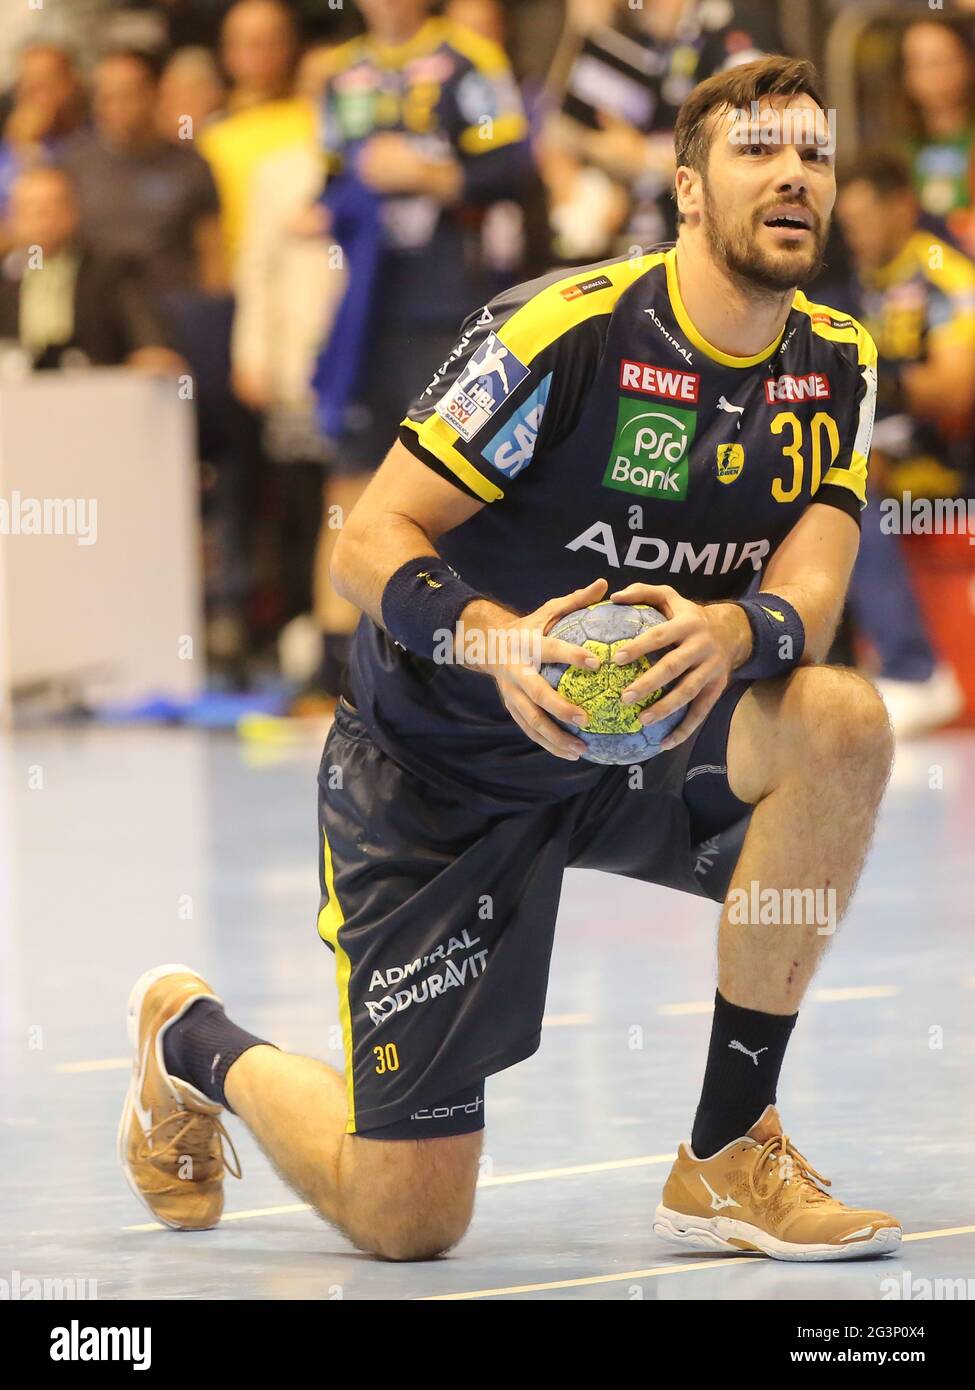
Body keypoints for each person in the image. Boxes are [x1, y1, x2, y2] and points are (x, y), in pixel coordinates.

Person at [119, 57, 904, 1263]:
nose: (795, 173)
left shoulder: (836, 357)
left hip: (636, 736)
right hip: (443, 767)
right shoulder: (563, 330)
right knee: (410, 1222)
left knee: (841, 720)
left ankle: (730, 1149)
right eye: (759, 150)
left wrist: (738, 631)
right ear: (687, 189)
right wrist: (504, 643)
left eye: (813, 151)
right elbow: (368, 540)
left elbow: (816, 573)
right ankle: (190, 1041)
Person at [303, 0, 533, 700]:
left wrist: (430, 177)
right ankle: (331, 661)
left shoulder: (468, 62)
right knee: (347, 474)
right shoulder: (342, 75)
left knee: (449, 479)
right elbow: (330, 184)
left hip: (448, 304)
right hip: (366, 308)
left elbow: (513, 168)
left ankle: (453, 654)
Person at [835, 150, 972, 737]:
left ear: (902, 206)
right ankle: (831, 670)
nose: (855, 233)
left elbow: (957, 389)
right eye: (848, 221)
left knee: (851, 486)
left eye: (866, 218)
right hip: (895, 468)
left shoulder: (942, 271)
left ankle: (915, 670)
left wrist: (881, 379)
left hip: (952, 477)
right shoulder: (858, 286)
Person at [57, 49, 225, 297]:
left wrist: (214, 313)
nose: (117, 107)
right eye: (106, 98)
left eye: (128, 95)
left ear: (154, 94)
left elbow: (213, 253)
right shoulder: (72, 164)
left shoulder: (191, 166)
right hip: (97, 311)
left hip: (172, 307)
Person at [0, 166, 183, 372]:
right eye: (31, 209)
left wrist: (152, 348)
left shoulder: (111, 269)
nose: (43, 219)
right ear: (10, 218)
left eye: (53, 207)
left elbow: (145, 328)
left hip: (94, 386)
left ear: (74, 211)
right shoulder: (4, 276)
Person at [899, 17, 975, 256]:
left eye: (938, 62)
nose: (929, 74)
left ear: (967, 63)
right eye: (917, 63)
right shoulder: (900, 148)